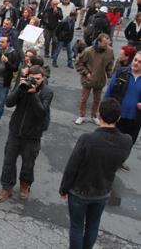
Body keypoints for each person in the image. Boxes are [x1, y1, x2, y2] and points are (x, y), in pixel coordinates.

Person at [59, 98, 132, 249]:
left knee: (77, 226)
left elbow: (72, 166)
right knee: (93, 225)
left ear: (99, 115)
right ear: (118, 117)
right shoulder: (126, 141)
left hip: (80, 191)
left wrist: (64, 188)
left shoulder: (87, 139)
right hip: (103, 191)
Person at [0, 65, 54, 202]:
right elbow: (9, 103)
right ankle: (7, 188)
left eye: (38, 79)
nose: (35, 81)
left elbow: (41, 113)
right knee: (8, 162)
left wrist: (33, 93)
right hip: (15, 131)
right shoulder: (22, 84)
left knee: (28, 163)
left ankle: (24, 186)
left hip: (33, 135)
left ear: (43, 78)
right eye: (32, 79)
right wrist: (20, 87)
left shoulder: (47, 92)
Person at [105, 51, 141, 172]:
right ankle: (108, 161)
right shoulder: (121, 72)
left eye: (140, 62)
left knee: (129, 142)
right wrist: (103, 109)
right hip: (118, 116)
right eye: (135, 60)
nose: (136, 63)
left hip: (135, 119)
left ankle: (120, 161)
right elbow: (109, 91)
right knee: (113, 141)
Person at [75, 34, 114, 126]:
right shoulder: (88, 51)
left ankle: (94, 115)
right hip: (88, 79)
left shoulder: (110, 51)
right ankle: (81, 115)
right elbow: (79, 63)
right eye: (104, 43)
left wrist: (109, 77)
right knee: (84, 98)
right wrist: (86, 73)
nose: (106, 45)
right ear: (99, 42)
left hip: (100, 79)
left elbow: (110, 65)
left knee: (97, 99)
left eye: (107, 43)